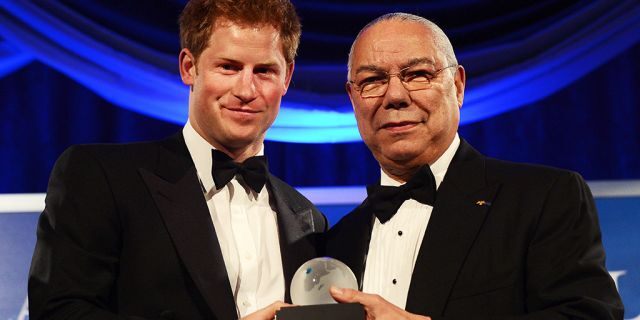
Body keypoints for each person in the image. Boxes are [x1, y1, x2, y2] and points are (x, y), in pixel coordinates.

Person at [28, 0, 327, 319]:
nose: (246, 89)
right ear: (189, 67)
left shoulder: (308, 219)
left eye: (264, 71)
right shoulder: (101, 177)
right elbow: (59, 312)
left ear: (287, 77)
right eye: (228, 67)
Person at [325, 12, 624, 319]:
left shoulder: (544, 199)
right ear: (353, 98)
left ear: (457, 86)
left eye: (417, 74)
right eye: (372, 81)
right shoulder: (337, 240)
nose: (396, 96)